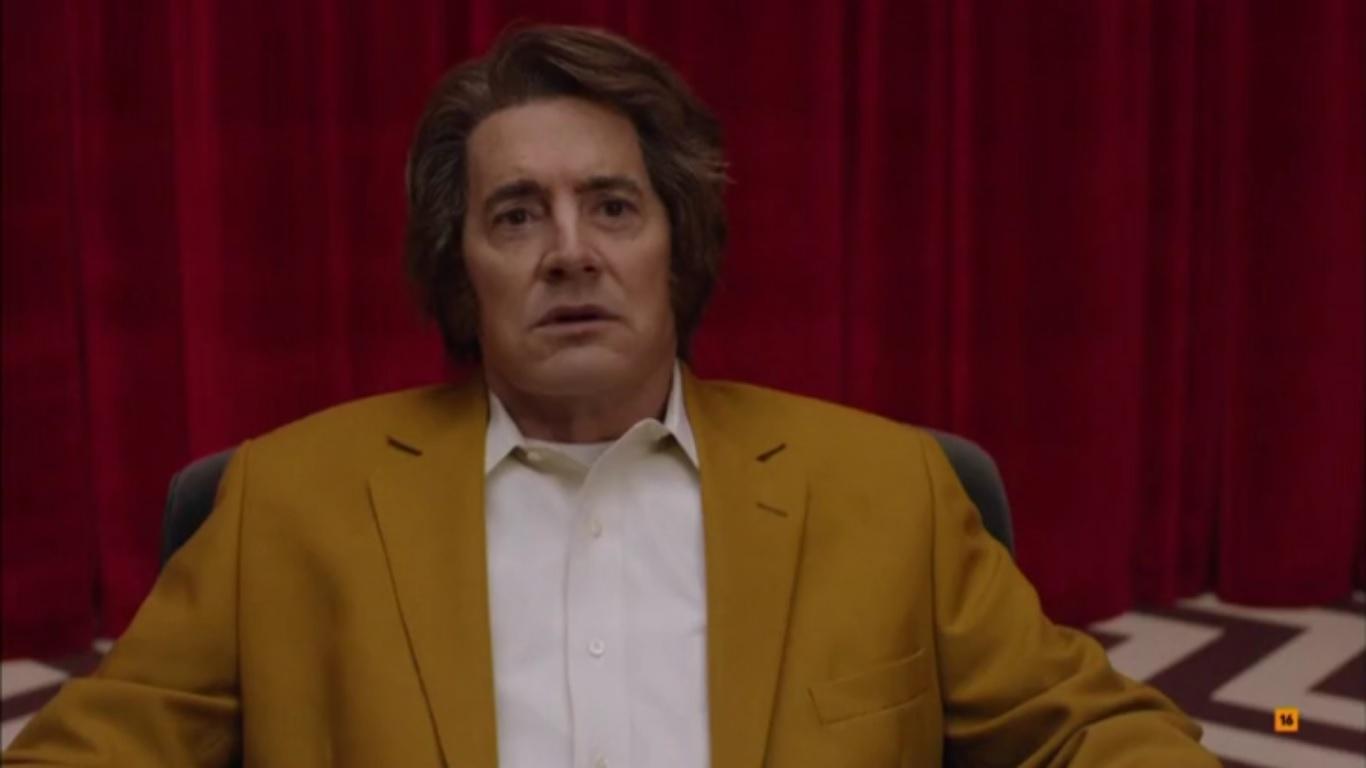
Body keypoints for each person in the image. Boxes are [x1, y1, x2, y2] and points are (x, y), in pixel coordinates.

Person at [5, 24, 1220, 767]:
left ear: (675, 246)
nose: (570, 252)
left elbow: (1091, 733)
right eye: (515, 215)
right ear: (460, 269)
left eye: (613, 206)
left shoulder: (887, 489)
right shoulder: (286, 503)